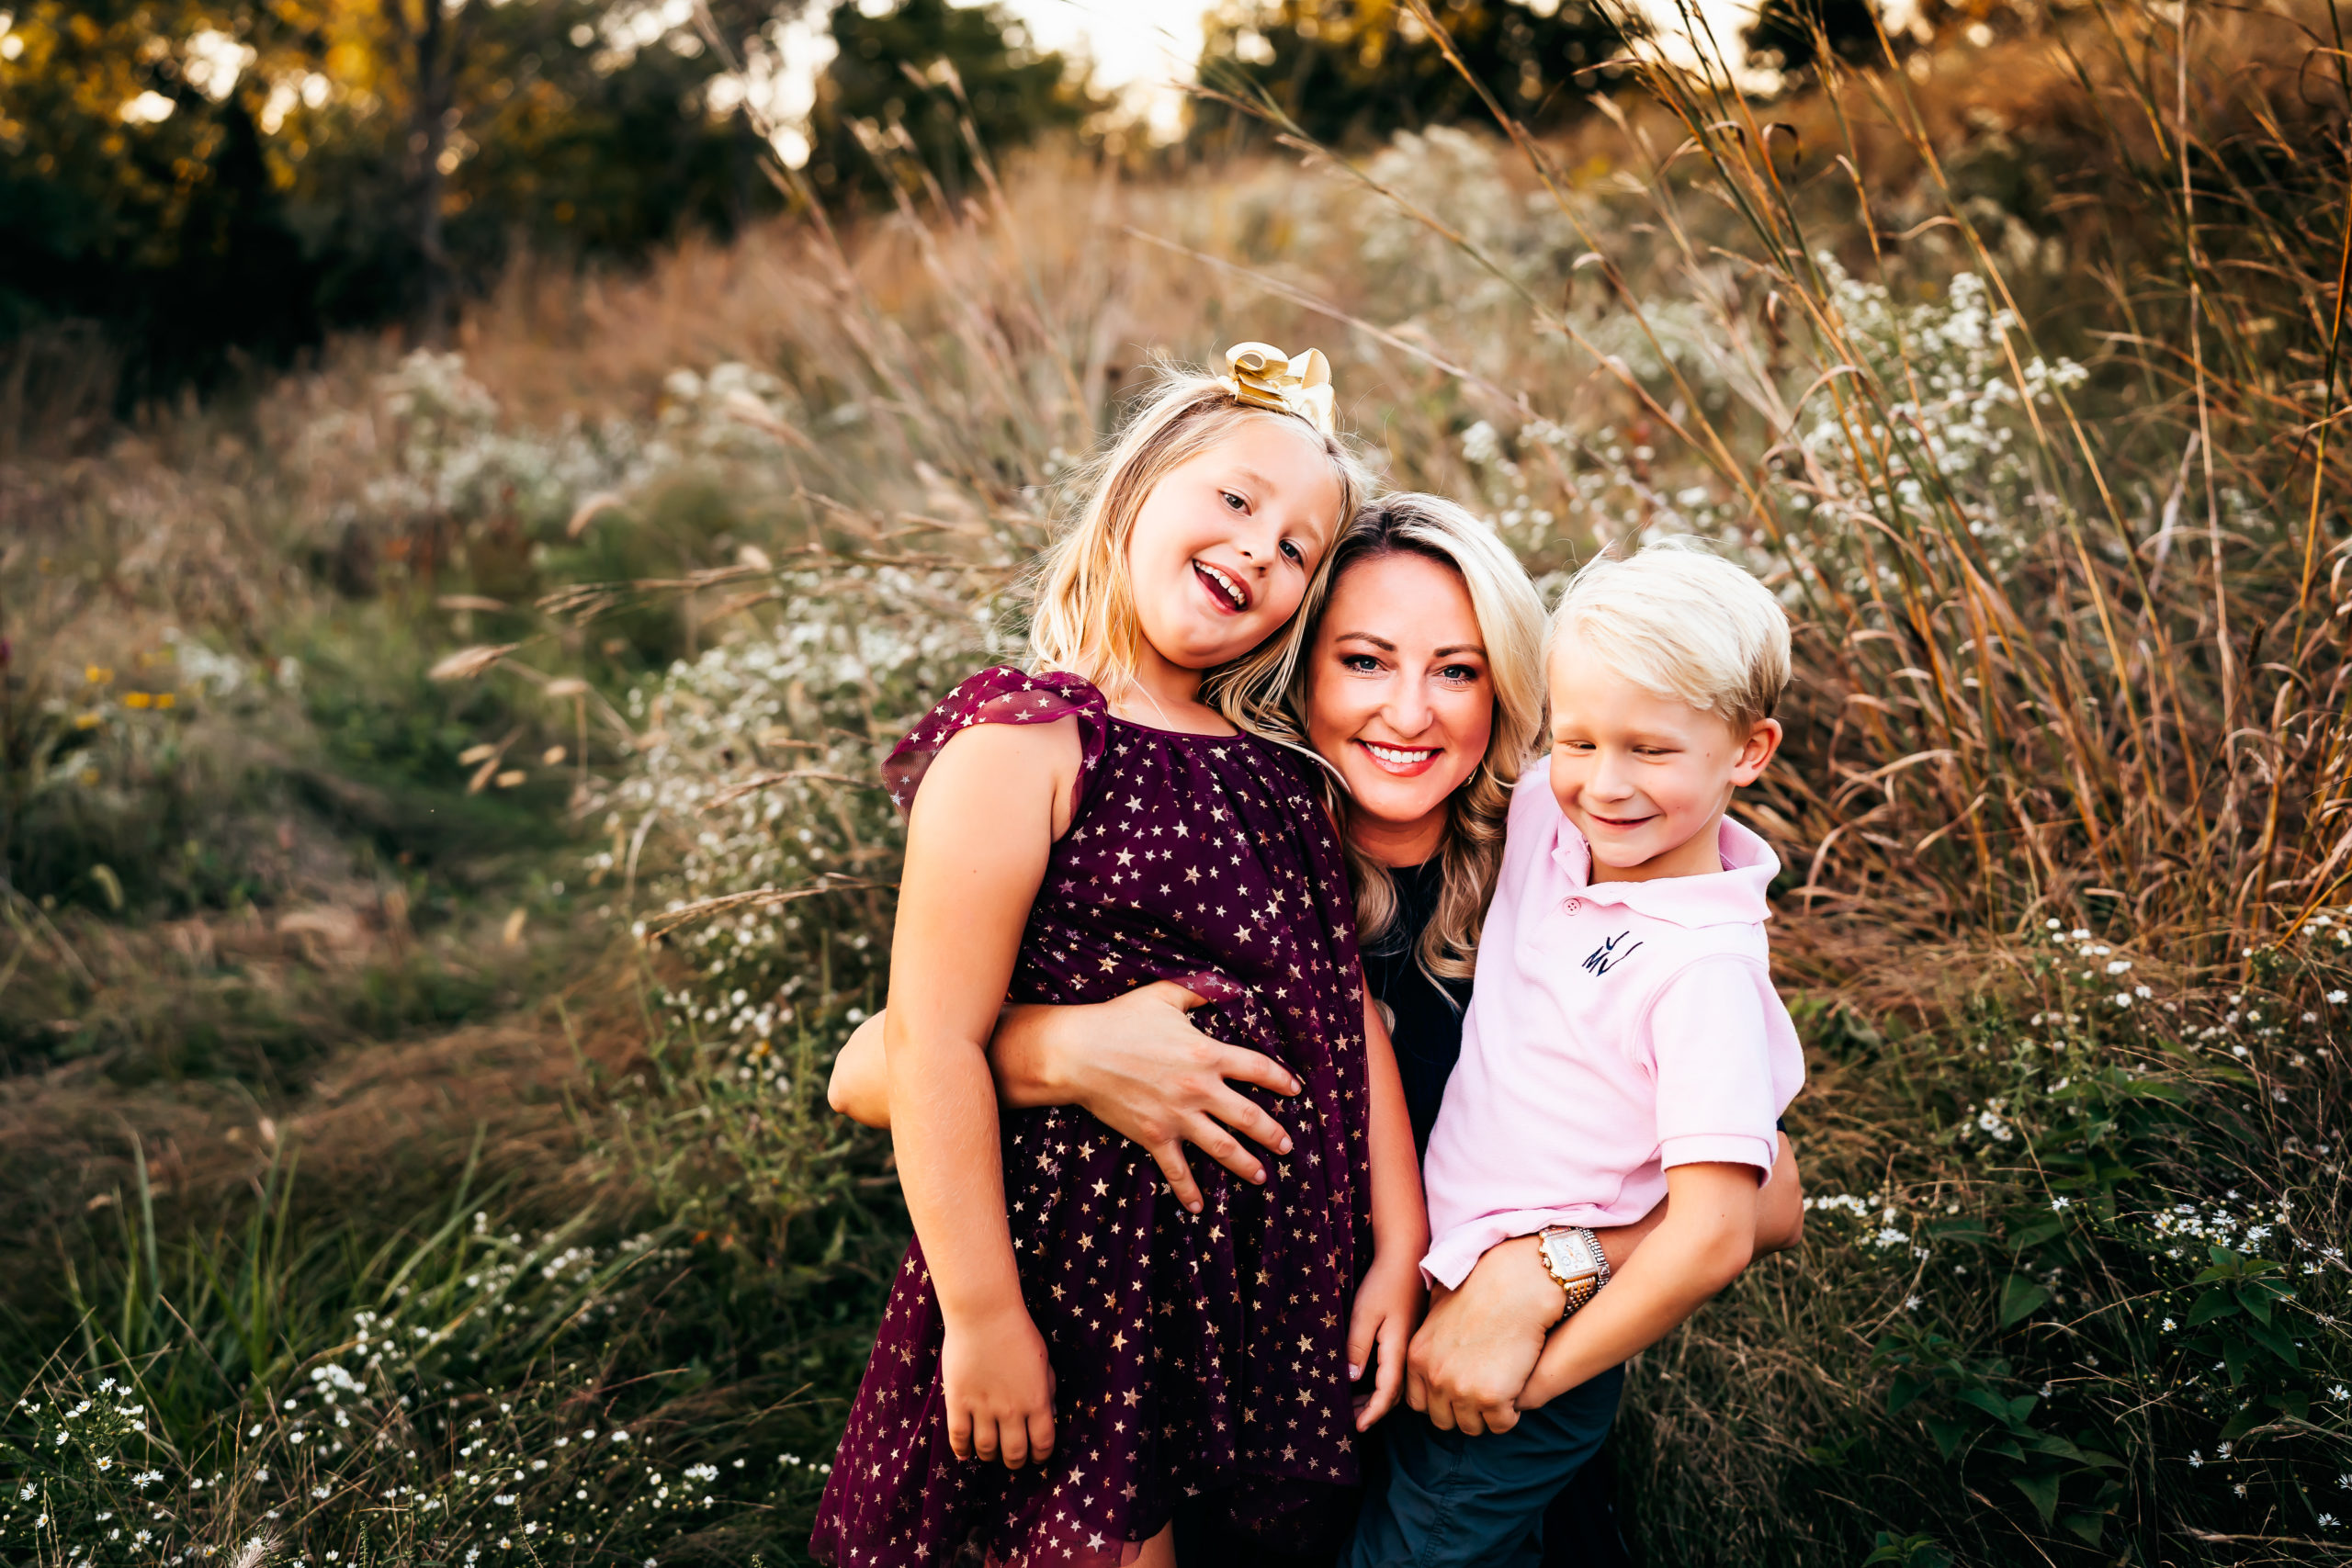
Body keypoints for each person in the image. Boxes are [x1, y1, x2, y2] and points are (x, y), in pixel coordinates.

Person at [832, 498, 1806, 1565]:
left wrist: (1544, 1271)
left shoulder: (1559, 864)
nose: (1410, 712)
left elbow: (1769, 1191)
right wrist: (1075, 1052)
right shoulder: (1215, 851)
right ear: (1299, 671)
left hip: (1455, 1419)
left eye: (1458, 671)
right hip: (1218, 1402)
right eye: (1364, 661)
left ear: (1512, 693)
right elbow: (870, 1068)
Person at [808, 344, 1430, 1568]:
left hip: (1267, 1285)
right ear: (1138, 488)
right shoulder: (1025, 745)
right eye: (1236, 500)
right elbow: (929, 1035)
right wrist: (983, 1310)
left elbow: (1345, 1013)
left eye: (1299, 547)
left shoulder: (1280, 771)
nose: (1261, 547)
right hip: (1075, 1277)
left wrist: (1398, 1246)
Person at [1346, 540, 1806, 1568]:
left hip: (1533, 1360)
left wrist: (1532, 1377)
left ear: (1748, 750)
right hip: (1436, 1294)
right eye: (1580, 739)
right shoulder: (1549, 824)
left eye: (1650, 750)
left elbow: (1722, 1234)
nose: (1603, 784)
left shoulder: (1701, 970)